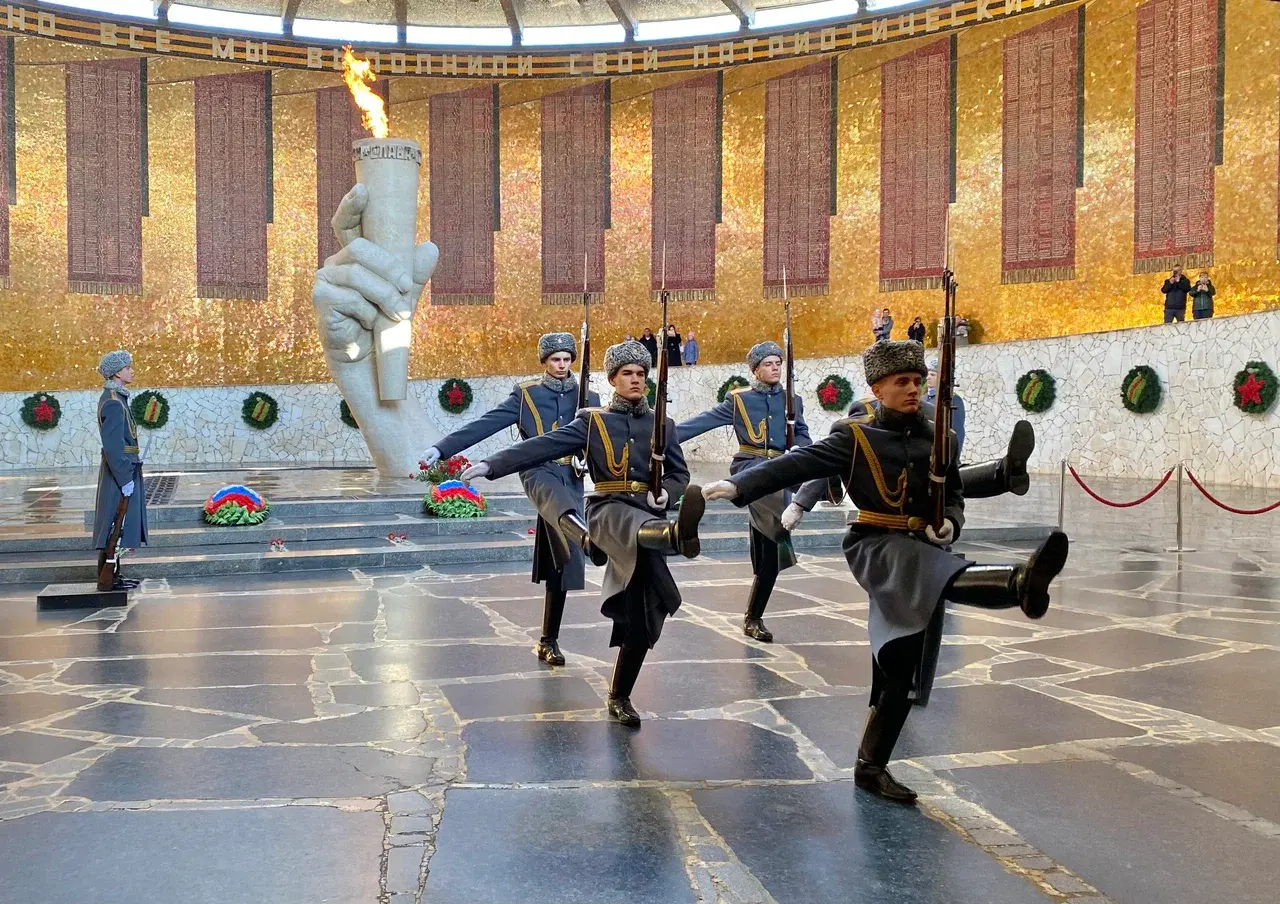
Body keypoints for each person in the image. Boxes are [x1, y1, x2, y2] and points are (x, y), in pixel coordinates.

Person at [703, 339, 1069, 804]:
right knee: (932, 574)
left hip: (921, 547)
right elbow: (798, 464)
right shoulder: (853, 435)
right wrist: (737, 484)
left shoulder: (939, 436)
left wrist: (950, 521)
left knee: (900, 669)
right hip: (876, 544)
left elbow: (953, 493)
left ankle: (870, 767)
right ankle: (1017, 583)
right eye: (902, 382)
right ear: (877, 388)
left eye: (917, 380)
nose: (914, 388)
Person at [461, 340, 707, 727]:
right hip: (608, 512)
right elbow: (541, 447)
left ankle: (619, 696)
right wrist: (490, 466)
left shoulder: (663, 426)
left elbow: (678, 474)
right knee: (633, 525)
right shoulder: (593, 422)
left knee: (642, 617)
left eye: (641, 374)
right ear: (612, 380)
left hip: (646, 517)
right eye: (627, 373)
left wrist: (668, 493)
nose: (636, 380)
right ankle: (676, 536)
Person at [422, 333, 602, 667]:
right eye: (555, 359)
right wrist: (442, 448)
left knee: (562, 560)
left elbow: (600, 438)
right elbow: (486, 424)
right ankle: (586, 538)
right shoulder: (527, 394)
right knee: (559, 512)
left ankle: (548, 640)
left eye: (566, 359)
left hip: (572, 477)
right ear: (544, 361)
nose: (562, 365)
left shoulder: (588, 396)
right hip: (537, 471)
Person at [677, 341, 812, 642]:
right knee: (774, 536)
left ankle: (753, 616)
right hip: (751, 470)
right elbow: (701, 423)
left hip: (782, 473)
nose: (775, 368)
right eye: (768, 364)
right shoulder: (739, 400)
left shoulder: (793, 400)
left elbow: (803, 435)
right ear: (755, 370)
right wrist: (660, 438)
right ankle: (728, 492)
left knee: (769, 552)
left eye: (778, 363)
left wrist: (802, 450)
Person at [92, 350, 148, 591]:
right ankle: (108, 578)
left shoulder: (118, 398)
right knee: (113, 523)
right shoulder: (114, 402)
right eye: (127, 367)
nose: (131, 371)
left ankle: (114, 575)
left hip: (124, 468)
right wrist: (125, 478)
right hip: (119, 471)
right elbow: (113, 446)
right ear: (117, 373)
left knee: (118, 523)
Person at [925, 358, 966, 455]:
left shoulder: (953, 400)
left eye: (932, 375)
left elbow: (957, 433)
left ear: (941, 378)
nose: (928, 378)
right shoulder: (923, 398)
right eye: (928, 374)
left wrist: (953, 458)